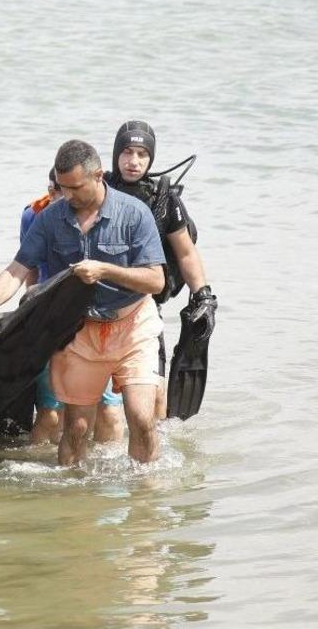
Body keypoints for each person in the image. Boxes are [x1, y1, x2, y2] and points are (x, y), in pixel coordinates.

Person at [0, 140, 166, 466]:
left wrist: (105, 270)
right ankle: (72, 504)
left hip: (133, 325)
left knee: (142, 419)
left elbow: (156, 280)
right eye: (61, 187)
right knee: (76, 428)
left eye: (74, 187)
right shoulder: (50, 219)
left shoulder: (134, 214)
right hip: (79, 331)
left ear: (98, 176)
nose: (67, 195)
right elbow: (17, 269)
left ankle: (147, 501)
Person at [105, 120, 216, 419]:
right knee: (102, 408)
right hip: (97, 309)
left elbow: (186, 253)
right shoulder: (99, 191)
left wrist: (204, 296)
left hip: (145, 309)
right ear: (116, 154)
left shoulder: (164, 200)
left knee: (156, 402)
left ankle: (153, 458)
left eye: (142, 154)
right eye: (127, 152)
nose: (134, 161)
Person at [20, 169, 125, 445]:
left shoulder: (95, 215)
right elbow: (27, 267)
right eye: (56, 190)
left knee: (109, 410)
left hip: (97, 324)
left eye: (69, 190)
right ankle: (43, 476)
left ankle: (106, 472)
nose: (62, 197)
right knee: (52, 411)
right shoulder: (34, 215)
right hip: (51, 321)